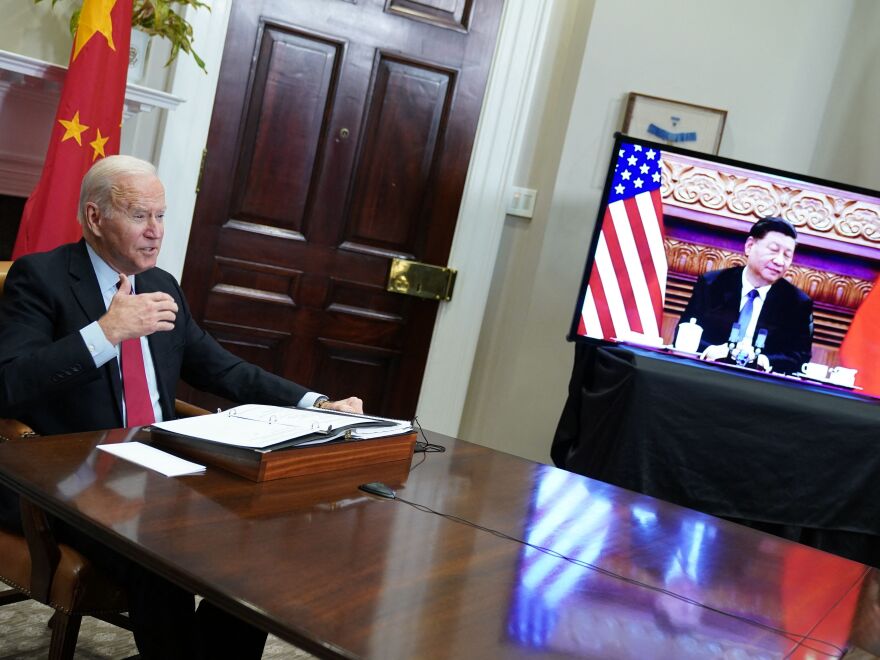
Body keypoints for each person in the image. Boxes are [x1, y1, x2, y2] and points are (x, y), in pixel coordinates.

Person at [0, 155, 363, 658]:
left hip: (162, 468)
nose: (156, 232)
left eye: (162, 215)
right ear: (95, 217)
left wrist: (316, 403)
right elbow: (11, 383)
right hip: (72, 478)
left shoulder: (160, 285)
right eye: (139, 215)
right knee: (161, 557)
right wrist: (106, 333)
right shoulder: (40, 278)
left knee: (253, 542)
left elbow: (222, 369)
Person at [677, 217, 813, 375]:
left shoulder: (797, 302)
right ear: (750, 246)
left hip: (761, 384)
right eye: (773, 250)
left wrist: (765, 360)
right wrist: (711, 350)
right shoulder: (712, 284)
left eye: (787, 256)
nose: (779, 261)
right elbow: (684, 334)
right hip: (707, 373)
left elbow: (799, 357)